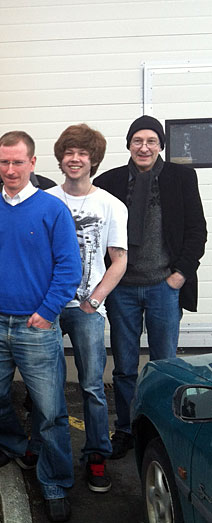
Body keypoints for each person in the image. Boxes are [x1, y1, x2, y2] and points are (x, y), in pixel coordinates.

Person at [0, 131, 81, 522]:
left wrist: (48, 312)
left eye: (18, 162)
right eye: (4, 162)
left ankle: (54, 481)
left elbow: (70, 268)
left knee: (50, 411)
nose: (11, 169)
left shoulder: (52, 210)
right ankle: (13, 444)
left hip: (36, 325)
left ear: (33, 164)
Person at [93, 115, 207, 459]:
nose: (144, 147)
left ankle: (163, 431)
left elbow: (196, 231)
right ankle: (126, 429)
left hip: (163, 286)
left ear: (161, 145)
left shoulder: (181, 177)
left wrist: (180, 275)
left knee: (164, 365)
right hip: (123, 289)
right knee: (125, 367)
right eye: (137, 141)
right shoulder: (110, 181)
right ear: (128, 144)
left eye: (151, 141)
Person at [47, 124, 128, 492]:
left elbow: (119, 260)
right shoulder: (45, 200)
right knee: (43, 387)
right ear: (61, 157)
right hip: (47, 307)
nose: (75, 159)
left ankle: (96, 455)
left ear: (93, 159)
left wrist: (94, 301)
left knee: (93, 386)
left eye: (83, 153)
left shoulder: (111, 206)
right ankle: (44, 449)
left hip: (86, 309)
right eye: (69, 152)